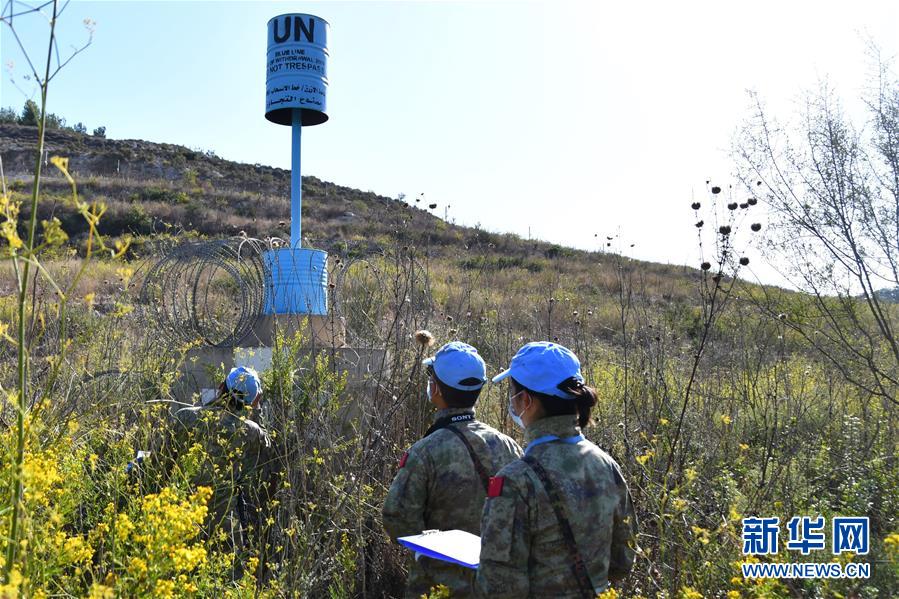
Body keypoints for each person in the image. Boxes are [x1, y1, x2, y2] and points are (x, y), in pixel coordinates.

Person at [476, 342, 637, 598]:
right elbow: (622, 561)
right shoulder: (607, 465)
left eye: (513, 393)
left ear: (526, 400)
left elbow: (498, 587)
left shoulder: (516, 481)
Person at [383, 341, 523, 598]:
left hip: (437, 587)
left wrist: (427, 547)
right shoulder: (509, 446)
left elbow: (397, 518)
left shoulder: (425, 451)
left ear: (436, 389)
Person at [152, 365, 276, 576]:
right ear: (253, 402)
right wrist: (255, 410)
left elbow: (159, 467)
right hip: (224, 528)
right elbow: (267, 447)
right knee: (227, 580)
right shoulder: (250, 432)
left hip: (181, 520)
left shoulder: (186, 417)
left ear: (220, 387)